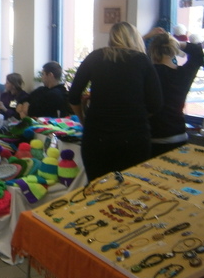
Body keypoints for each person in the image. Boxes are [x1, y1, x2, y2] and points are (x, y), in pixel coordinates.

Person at [68, 22, 162, 182]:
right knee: (130, 189)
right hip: (133, 138)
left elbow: (73, 96)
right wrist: (136, 116)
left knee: (97, 188)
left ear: (112, 38)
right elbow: (156, 104)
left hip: (97, 137)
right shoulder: (141, 60)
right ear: (135, 38)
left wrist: (83, 120)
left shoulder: (95, 57)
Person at [145, 27, 204, 156]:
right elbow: (198, 53)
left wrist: (146, 37)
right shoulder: (183, 75)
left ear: (153, 51)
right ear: (174, 51)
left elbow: (132, 54)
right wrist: (177, 43)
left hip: (151, 136)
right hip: (177, 136)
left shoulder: (147, 73)